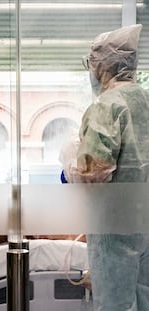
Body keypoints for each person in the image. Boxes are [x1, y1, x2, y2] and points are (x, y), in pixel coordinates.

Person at [61, 24, 149, 310]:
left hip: (116, 229)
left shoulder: (107, 107)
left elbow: (92, 174)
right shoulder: (145, 102)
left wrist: (68, 168)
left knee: (115, 304)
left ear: (103, 66)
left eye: (92, 63)